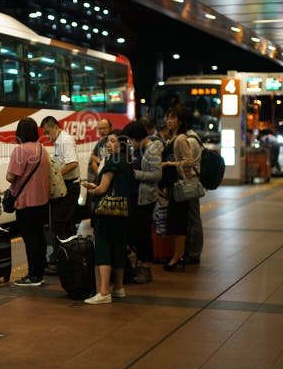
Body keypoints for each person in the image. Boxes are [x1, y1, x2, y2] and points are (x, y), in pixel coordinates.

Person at [82, 131, 133, 304]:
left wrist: (91, 189)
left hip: (107, 212)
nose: (108, 145)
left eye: (113, 141)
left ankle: (103, 292)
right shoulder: (127, 162)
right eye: (108, 142)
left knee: (103, 247)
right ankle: (118, 288)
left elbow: (103, 188)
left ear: (121, 145)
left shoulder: (112, 161)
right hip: (123, 212)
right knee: (119, 248)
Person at [6, 118, 51, 286]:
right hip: (41, 201)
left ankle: (33, 276)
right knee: (39, 238)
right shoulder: (41, 149)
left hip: (26, 202)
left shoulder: (20, 151)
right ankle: (39, 273)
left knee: (30, 240)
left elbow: (11, 176)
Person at [161, 105, 202, 270]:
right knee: (176, 223)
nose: (168, 121)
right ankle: (177, 255)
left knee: (180, 224)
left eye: (172, 118)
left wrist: (169, 163)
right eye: (167, 117)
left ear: (179, 121)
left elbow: (189, 162)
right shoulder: (173, 138)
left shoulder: (180, 139)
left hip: (181, 188)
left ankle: (178, 257)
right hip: (173, 187)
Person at [123, 121, 164, 283]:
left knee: (143, 234)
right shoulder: (137, 149)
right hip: (134, 197)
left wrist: (136, 174)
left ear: (137, 138)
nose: (130, 143)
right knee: (134, 232)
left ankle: (145, 269)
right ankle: (137, 265)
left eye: (131, 140)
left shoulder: (152, 150)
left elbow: (157, 175)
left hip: (145, 199)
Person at [40, 116, 80, 273]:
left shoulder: (65, 141)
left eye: (48, 132)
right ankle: (68, 259)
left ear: (55, 127)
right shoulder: (58, 142)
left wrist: (55, 175)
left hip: (70, 187)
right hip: (65, 187)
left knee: (59, 224)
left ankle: (61, 261)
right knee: (66, 224)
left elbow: (72, 163)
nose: (47, 136)